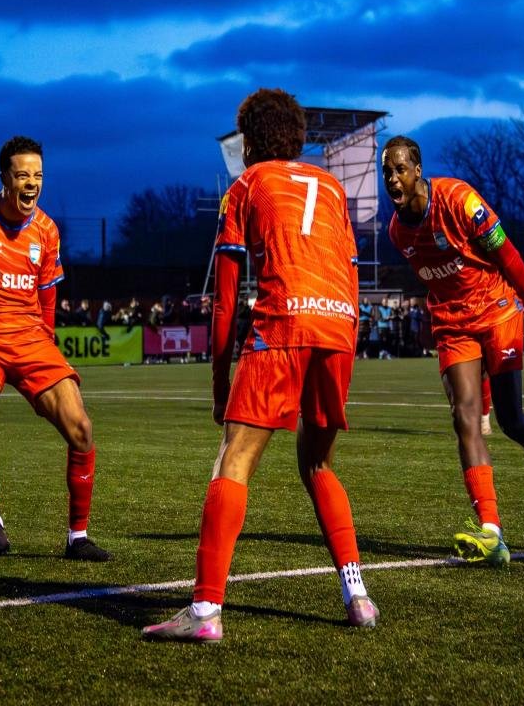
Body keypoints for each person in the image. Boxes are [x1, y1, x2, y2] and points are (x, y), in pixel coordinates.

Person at [143, 87, 375, 643]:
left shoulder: (246, 185)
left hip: (286, 323)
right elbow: (351, 278)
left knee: (234, 459)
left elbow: (225, 300)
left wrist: (220, 381)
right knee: (318, 463)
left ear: (249, 141)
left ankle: (204, 612)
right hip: (339, 327)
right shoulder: (332, 185)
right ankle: (358, 595)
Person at [382, 135, 524, 566]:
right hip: (453, 326)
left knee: (512, 420)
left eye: (399, 169)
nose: (392, 178)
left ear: (418, 170)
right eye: (386, 172)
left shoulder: (459, 199)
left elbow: (507, 256)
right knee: (464, 418)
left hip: (497, 313)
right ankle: (492, 532)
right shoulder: (398, 233)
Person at [0, 135, 110, 564]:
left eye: (37, 175)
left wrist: (48, 348)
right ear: (4, 178)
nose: (31, 182)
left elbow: (48, 298)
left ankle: (77, 537)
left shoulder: (47, 230)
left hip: (32, 340)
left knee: (82, 429)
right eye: (22, 175)